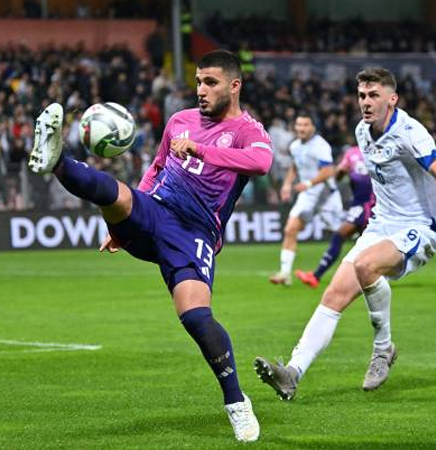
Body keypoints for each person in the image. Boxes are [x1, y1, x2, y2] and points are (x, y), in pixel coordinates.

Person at [28, 50, 272, 442]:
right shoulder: (179, 121)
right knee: (114, 194)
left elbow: (260, 164)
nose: (201, 91)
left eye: (210, 83)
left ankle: (236, 402)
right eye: (198, 82)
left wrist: (201, 150)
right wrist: (124, 223)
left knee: (196, 318)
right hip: (156, 210)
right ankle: (57, 160)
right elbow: (156, 169)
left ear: (234, 85)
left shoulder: (248, 130)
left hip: (195, 232)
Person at [254, 67, 436, 400]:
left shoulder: (409, 131)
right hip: (380, 225)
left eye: (374, 95)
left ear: (392, 98)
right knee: (333, 295)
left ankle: (383, 349)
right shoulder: (362, 131)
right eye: (362, 95)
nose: (366, 102)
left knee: (366, 266)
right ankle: (293, 372)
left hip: (419, 226)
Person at [269, 113, 343, 286]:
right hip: (308, 196)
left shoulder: (320, 146)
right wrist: (287, 185)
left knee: (342, 234)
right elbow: (295, 167)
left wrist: (309, 183)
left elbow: (328, 171)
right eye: (299, 124)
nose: (301, 128)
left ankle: (365, 266)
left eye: (305, 125)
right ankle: (285, 273)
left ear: (313, 127)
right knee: (290, 229)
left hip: (326, 196)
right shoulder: (295, 146)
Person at [294, 143, 375, 289]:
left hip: (366, 204)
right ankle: (371, 277)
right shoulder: (377, 149)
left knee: (342, 235)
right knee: (366, 242)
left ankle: (316, 276)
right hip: (367, 203)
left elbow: (339, 174)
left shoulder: (352, 153)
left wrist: (339, 174)